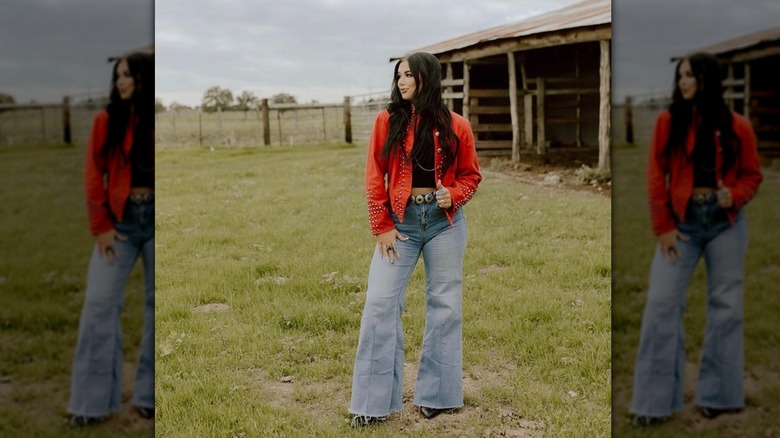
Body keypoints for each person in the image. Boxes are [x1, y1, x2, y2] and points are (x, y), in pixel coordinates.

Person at [348, 52, 482, 428]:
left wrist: (453, 195)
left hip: (445, 224)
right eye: (398, 75)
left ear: (427, 77)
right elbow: (375, 175)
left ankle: (437, 395)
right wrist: (381, 225)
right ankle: (371, 404)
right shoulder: (386, 119)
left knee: (445, 304)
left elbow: (472, 176)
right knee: (380, 302)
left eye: (409, 75)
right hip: (401, 224)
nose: (402, 81)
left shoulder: (458, 125)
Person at [630, 52, 762, 427]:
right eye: (680, 76)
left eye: (690, 75)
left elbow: (752, 175)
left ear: (707, 78)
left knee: (727, 305)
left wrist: (734, 194)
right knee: (661, 303)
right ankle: (654, 403)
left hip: (726, 223)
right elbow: (656, 177)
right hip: (682, 225)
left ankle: (718, 395)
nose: (683, 81)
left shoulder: (738, 126)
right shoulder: (667, 121)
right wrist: (662, 227)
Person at [68, 52, 155, 427]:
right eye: (118, 76)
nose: (121, 82)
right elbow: (92, 175)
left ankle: (150, 395)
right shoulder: (107, 120)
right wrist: (99, 225)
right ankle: (90, 403)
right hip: (120, 221)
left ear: (143, 78)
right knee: (99, 305)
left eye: (128, 75)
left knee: (158, 308)